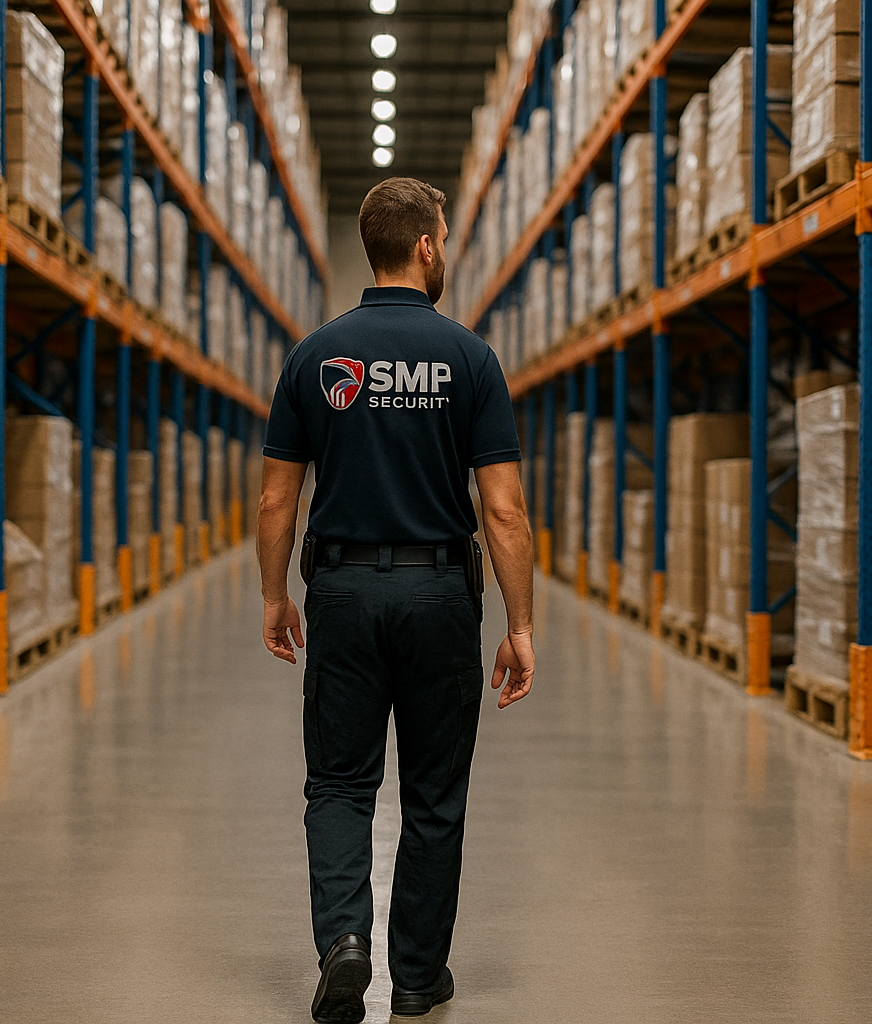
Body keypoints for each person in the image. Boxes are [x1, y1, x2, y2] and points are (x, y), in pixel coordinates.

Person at [255, 177, 536, 1023]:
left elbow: (277, 501)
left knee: (339, 784)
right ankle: (416, 978)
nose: (444, 249)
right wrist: (520, 625)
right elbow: (505, 509)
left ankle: (344, 941)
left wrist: (275, 596)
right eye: (443, 237)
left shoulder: (315, 355)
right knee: (433, 792)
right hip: (440, 593)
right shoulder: (469, 357)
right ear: (423, 246)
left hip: (339, 589)